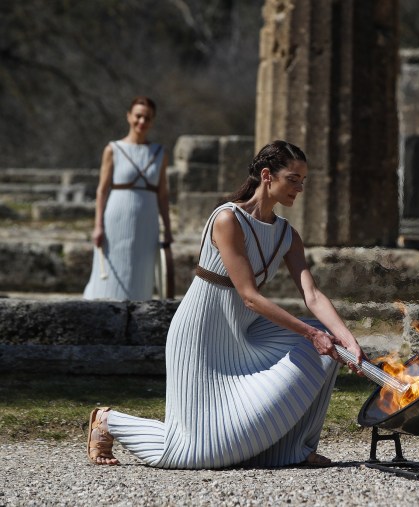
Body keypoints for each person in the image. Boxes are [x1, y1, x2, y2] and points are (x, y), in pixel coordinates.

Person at [86, 140, 365, 469]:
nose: (300, 188)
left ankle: (293, 450)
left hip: (244, 335)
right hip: (201, 336)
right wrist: (310, 333)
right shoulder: (227, 219)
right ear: (267, 176)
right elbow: (249, 296)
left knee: (326, 346)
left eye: (303, 181)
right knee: (195, 452)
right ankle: (109, 421)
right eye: (293, 178)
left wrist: (346, 338)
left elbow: (313, 295)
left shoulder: (288, 235)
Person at [83, 96, 173, 301]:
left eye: (147, 118)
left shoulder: (159, 153)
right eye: (138, 116)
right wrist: (97, 225)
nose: (142, 122)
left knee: (141, 269)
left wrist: (167, 229)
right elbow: (102, 190)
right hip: (116, 218)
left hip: (147, 220)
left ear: (152, 121)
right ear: (129, 117)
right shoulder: (113, 150)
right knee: (111, 268)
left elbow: (163, 194)